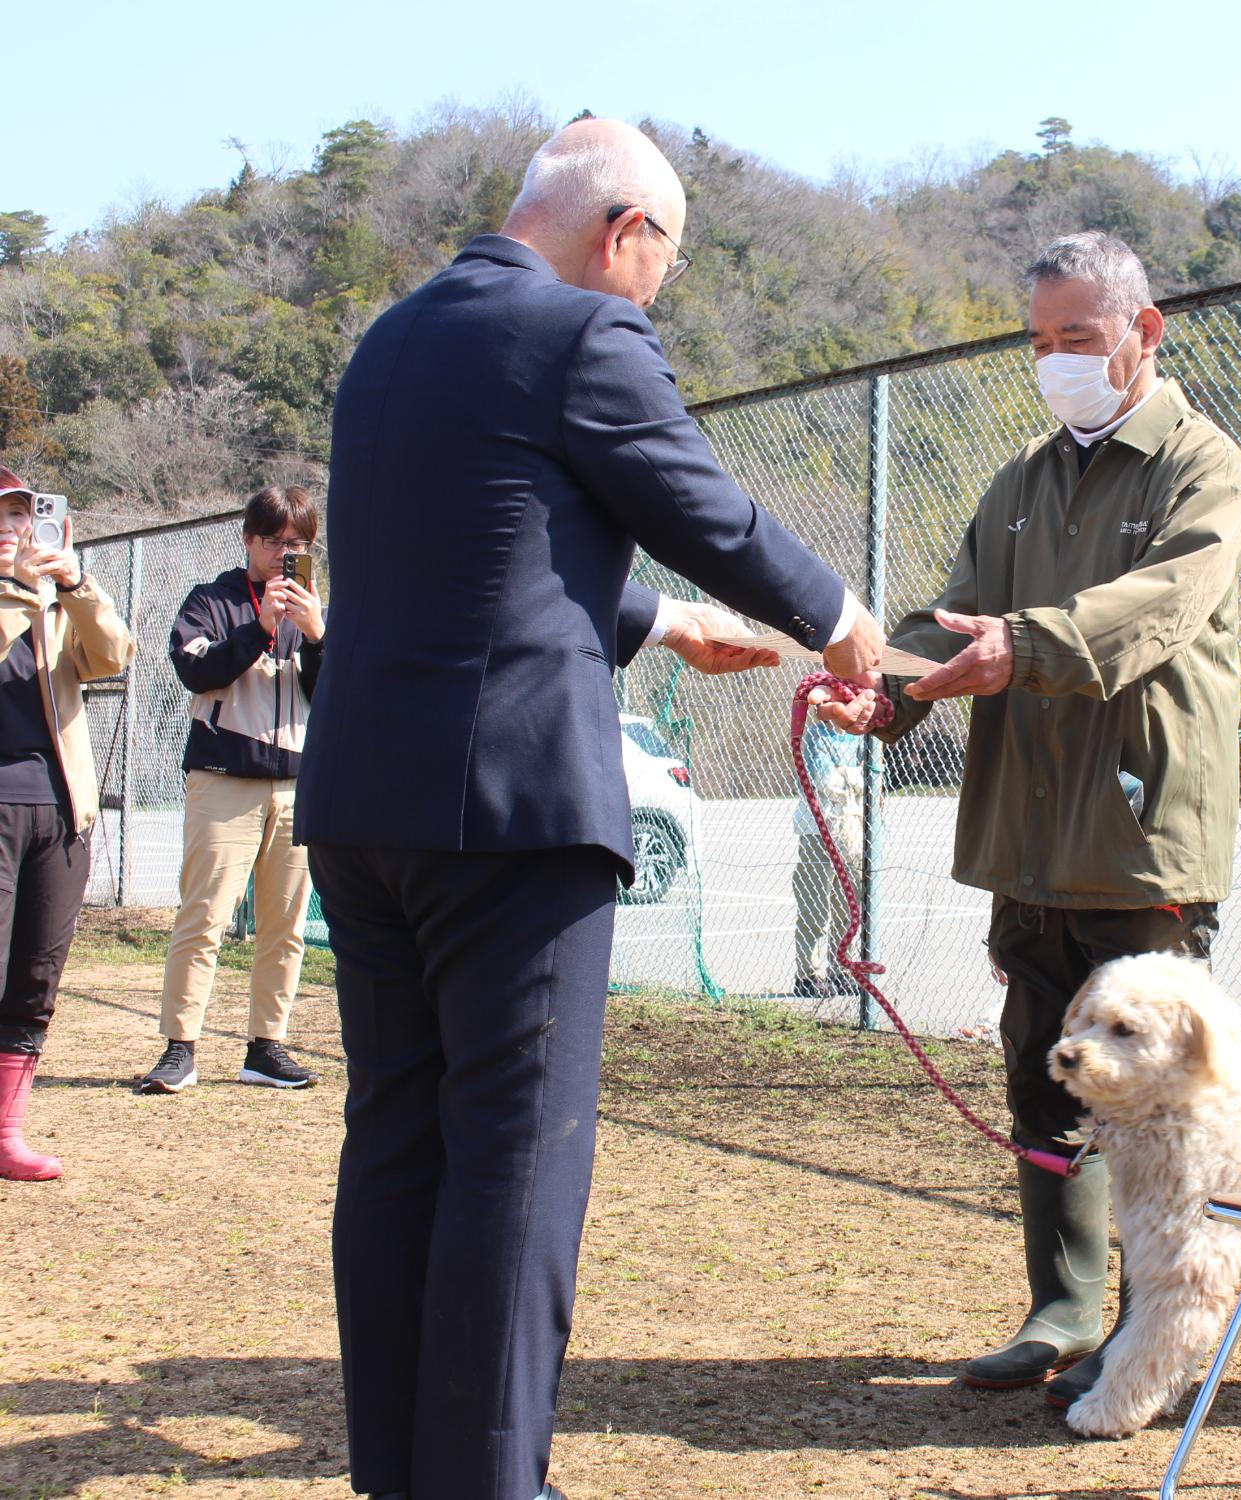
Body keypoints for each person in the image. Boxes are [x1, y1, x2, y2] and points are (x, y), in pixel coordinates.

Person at [294, 117, 885, 1500]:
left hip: (365, 808)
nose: (651, 303)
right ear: (625, 233)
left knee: (395, 1142)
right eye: (660, 273)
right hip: (511, 820)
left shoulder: (391, 343)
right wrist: (842, 621)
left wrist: (666, 627)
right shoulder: (580, 335)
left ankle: (404, 1473)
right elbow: (703, 503)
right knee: (515, 1158)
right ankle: (493, 1480)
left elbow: (486, 537)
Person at [815, 230, 1241, 1406]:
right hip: (1027, 833)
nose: (1056, 361)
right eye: (1041, 342)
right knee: (1041, 1074)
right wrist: (888, 690)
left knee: (1158, 1106)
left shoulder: (1200, 466)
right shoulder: (1017, 481)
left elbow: (1156, 609)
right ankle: (1061, 1311)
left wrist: (1029, 645)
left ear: (1142, 333)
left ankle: (1151, 1330)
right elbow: (955, 614)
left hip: (1135, 829)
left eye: (1079, 339)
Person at [139, 485, 326, 1095]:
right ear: (248, 539)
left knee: (286, 924)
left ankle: (266, 1047)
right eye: (274, 541)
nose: (284, 554)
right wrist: (261, 626)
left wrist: (319, 636)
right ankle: (180, 1047)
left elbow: (338, 691)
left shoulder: (316, 609)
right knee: (204, 918)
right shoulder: (211, 601)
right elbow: (197, 668)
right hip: (223, 780)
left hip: (298, 785)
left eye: (297, 544)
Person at [0, 467, 136, 1180]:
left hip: (58, 811)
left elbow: (113, 655)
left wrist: (76, 586)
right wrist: (22, 594)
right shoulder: (20, 603)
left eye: (23, 516)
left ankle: (6, 1134)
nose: (13, 530)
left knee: (35, 978)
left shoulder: (56, 604)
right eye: (1, 518)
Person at [792, 716, 866, 999]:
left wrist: (846, 775)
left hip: (851, 829)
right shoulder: (815, 737)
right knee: (815, 903)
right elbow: (825, 781)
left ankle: (841, 968)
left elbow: (873, 777)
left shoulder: (860, 737)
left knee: (849, 903)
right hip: (817, 829)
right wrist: (854, 778)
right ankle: (808, 974)